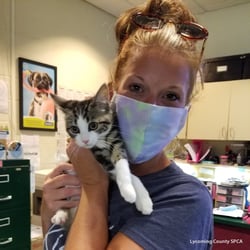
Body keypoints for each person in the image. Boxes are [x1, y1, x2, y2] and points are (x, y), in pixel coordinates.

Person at [41, 0, 213, 249]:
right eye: (136, 87)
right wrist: (50, 215)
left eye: (171, 96)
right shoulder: (81, 170)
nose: (150, 109)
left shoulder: (186, 201)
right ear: (112, 94)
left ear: (186, 110)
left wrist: (94, 186)